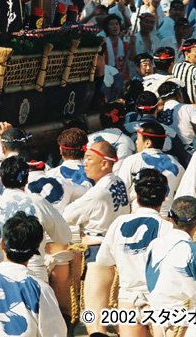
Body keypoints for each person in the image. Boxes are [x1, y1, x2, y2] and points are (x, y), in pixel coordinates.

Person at [93, 169, 173, 336]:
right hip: (159, 301)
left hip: (127, 299)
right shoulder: (168, 228)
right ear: (165, 196)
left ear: (136, 195)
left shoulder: (118, 223)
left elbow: (103, 264)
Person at [63, 139, 130, 335]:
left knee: (94, 319)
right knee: (118, 318)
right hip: (119, 251)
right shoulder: (118, 182)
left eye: (89, 158)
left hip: (98, 254)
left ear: (104, 163)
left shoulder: (98, 193)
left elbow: (67, 215)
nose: (84, 163)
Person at [144, 196, 196, 333]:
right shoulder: (195, 251)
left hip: (158, 320)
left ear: (170, 219)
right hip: (186, 325)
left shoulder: (154, 245)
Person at [117, 121, 184, 216]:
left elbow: (122, 192)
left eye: (138, 138)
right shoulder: (177, 165)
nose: (136, 142)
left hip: (137, 215)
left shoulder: (132, 161)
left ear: (148, 143)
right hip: (166, 217)